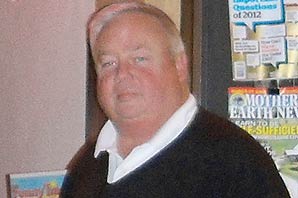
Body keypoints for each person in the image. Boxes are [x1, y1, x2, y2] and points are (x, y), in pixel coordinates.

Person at [60, 2, 290, 198]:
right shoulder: (86, 169)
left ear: (179, 66)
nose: (122, 74)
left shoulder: (234, 164)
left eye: (140, 59)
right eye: (108, 63)